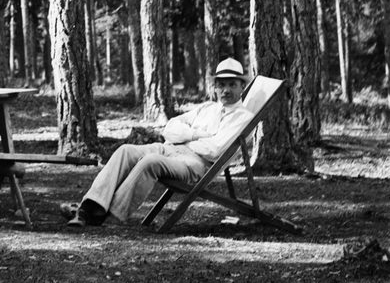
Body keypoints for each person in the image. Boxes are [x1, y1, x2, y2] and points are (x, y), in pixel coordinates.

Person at [61, 58, 255, 228]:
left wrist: (185, 139)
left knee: (150, 161)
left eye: (232, 84)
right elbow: (170, 129)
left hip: (195, 163)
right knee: (125, 151)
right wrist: (196, 134)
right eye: (221, 85)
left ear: (242, 87)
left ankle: (105, 215)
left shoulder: (243, 117)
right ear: (215, 87)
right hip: (171, 148)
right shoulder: (207, 108)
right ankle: (88, 208)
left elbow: (215, 150)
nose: (226, 90)